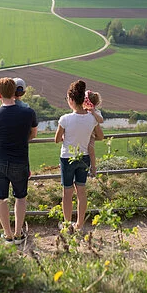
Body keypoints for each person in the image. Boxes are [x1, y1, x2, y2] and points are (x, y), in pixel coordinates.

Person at [0, 77, 38, 244]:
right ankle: (19, 234)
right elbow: (33, 134)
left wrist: (0, 140)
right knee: (20, 198)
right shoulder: (29, 113)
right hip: (20, 161)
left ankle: (7, 235)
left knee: (1, 198)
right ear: (15, 92)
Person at [55, 80, 104, 232]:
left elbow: (57, 139)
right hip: (84, 158)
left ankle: (67, 225)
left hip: (67, 158)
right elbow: (101, 137)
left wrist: (65, 138)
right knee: (81, 192)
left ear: (71, 100)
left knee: (67, 193)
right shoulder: (92, 119)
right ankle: (80, 224)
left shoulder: (65, 119)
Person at [83, 90, 104, 177]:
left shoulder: (96, 112)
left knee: (91, 150)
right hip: (83, 134)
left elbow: (101, 120)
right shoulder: (83, 110)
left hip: (91, 134)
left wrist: (93, 113)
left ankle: (93, 168)